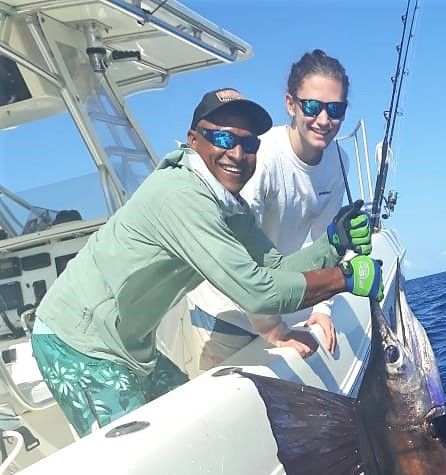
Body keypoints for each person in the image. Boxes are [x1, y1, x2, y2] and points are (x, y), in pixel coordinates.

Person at [30, 87, 383, 437]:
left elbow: (275, 268)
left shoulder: (228, 205)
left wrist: (333, 243)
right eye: (224, 138)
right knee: (144, 457)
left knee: (193, 426)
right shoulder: (181, 195)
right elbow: (258, 294)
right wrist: (344, 278)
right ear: (193, 140)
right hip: (77, 343)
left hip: (130, 344)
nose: (239, 154)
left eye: (251, 144)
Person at [187, 49, 354, 368]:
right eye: (312, 106)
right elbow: (238, 258)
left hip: (275, 297)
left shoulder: (339, 162)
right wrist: (275, 329)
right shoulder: (261, 158)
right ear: (291, 104)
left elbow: (326, 244)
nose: (323, 119)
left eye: (335, 108)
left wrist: (322, 309)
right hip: (225, 311)